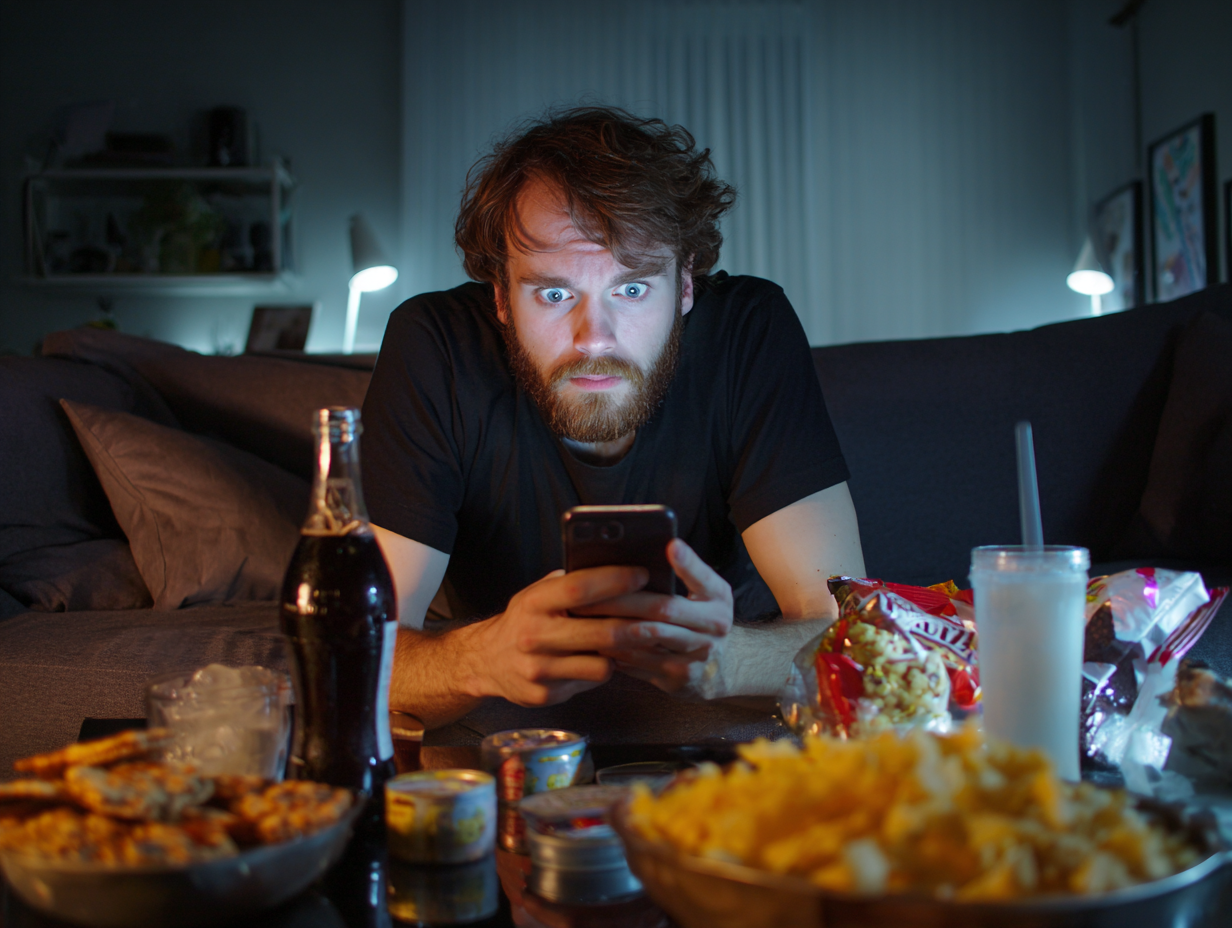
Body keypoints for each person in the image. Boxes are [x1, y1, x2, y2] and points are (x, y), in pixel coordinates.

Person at [362, 106, 866, 730]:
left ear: (685, 286)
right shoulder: (434, 345)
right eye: (554, 293)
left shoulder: (747, 332)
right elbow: (363, 651)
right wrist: (484, 662)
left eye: (631, 289)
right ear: (500, 297)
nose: (593, 339)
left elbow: (848, 634)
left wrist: (728, 662)